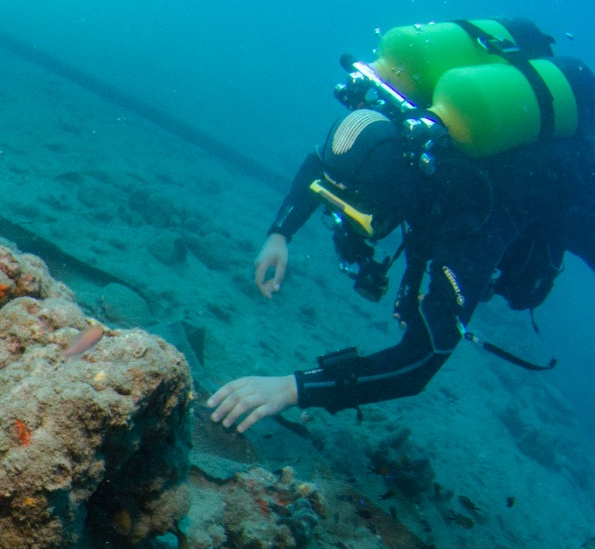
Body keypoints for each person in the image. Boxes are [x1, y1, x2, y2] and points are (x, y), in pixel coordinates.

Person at [208, 108, 595, 433]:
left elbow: (421, 362)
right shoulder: (399, 137)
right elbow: (322, 162)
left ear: (393, 201)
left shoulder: (469, 221)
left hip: (574, 192)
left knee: (525, 286)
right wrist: (281, 233)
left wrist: (296, 389)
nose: (348, 226)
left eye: (359, 216)